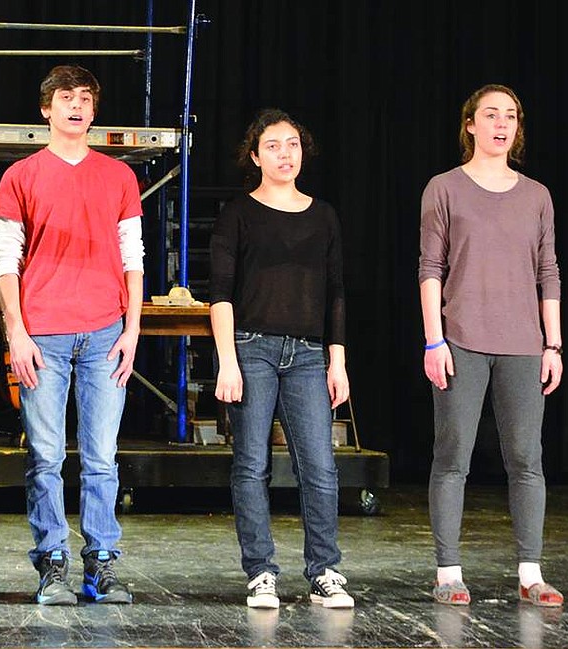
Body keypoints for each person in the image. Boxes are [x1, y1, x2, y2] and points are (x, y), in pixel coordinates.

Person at [0, 64, 143, 606]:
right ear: (46, 109)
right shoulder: (21, 176)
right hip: (44, 334)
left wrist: (133, 330)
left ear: (94, 110)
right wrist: (17, 332)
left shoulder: (120, 176)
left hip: (105, 332)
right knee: (47, 457)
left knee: (103, 457)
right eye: (65, 97)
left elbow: (133, 257)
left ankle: (100, 564)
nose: (75, 105)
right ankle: (52, 563)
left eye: (85, 98)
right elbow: (5, 259)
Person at [419, 84, 563, 608]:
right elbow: (430, 269)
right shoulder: (444, 189)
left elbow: (549, 273)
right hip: (461, 341)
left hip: (524, 345)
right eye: (490, 114)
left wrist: (554, 345)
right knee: (453, 456)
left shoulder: (537, 195)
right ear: (471, 125)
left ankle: (531, 572)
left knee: (527, 460)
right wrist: (434, 339)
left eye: (511, 116)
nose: (501, 123)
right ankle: (448, 573)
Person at [209, 108, 354, 610]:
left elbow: (335, 292)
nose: (284, 153)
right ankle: (261, 572)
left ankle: (324, 571)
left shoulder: (323, 215)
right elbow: (221, 295)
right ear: (255, 155)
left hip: (310, 355)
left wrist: (338, 361)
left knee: (320, 466)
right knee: (251, 465)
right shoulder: (238, 214)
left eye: (291, 143)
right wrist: (227, 360)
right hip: (253, 349)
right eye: (272, 145)